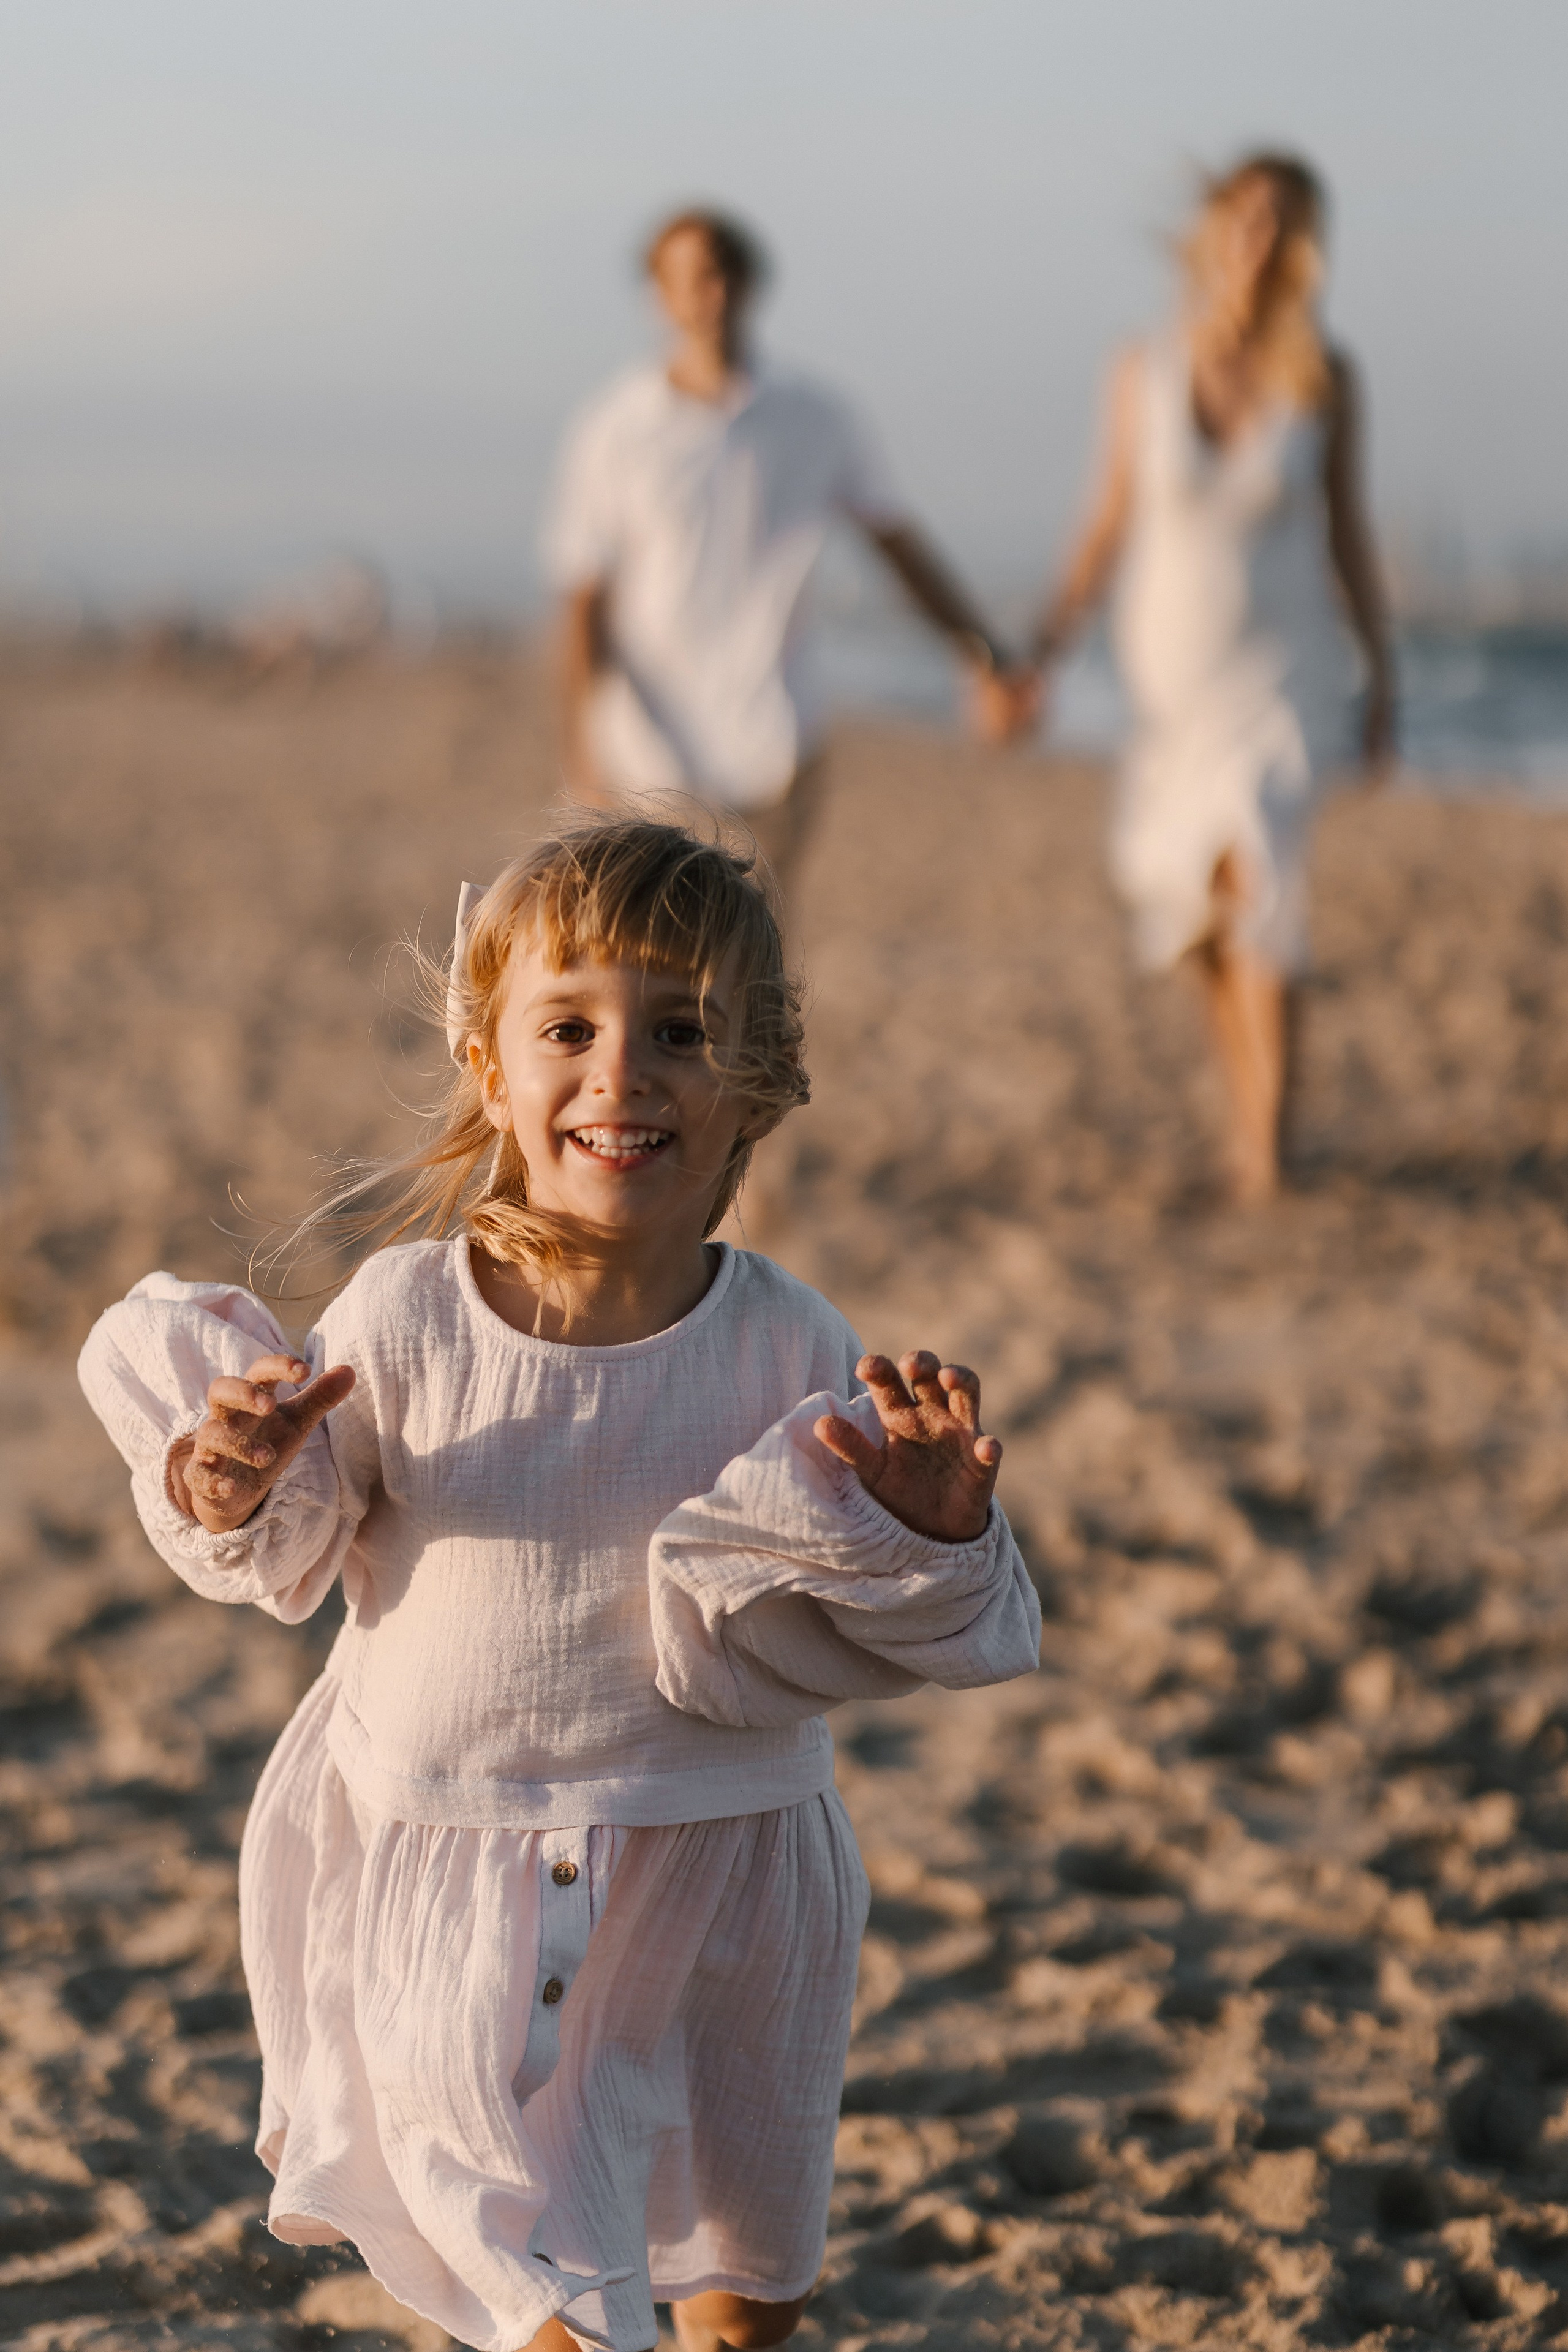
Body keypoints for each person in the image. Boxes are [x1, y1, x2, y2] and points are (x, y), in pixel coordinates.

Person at [78, 819, 1041, 2352]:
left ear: (757, 1082)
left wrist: (926, 1530)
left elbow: (911, 1622)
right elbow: (282, 1537)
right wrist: (227, 1471)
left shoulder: (791, 1342)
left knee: (745, 2302)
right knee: (569, 2319)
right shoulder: (406, 1317)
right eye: (570, 1027)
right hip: (462, 1887)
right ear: (489, 1062)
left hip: (726, 1890)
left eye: (678, 1033)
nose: (622, 1073)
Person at [1022, 153, 1395, 1204]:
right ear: (1213, 233)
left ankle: (1268, 1151)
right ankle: (1248, 1109)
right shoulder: (1144, 370)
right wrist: (1043, 651)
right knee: (1199, 912)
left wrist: (1383, 678)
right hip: (1170, 697)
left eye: (1286, 224)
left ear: (1302, 250)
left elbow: (1351, 536)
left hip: (1285, 684)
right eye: (1246, 219)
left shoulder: (1326, 380)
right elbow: (1103, 524)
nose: (1261, 241)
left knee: (1259, 875)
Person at [544, 207, 1021, 885]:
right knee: (655, 964)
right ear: (659, 297)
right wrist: (582, 758)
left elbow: (897, 545)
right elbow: (582, 598)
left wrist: (984, 655)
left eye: (725, 274)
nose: (712, 295)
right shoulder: (614, 430)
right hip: (647, 750)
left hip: (776, 738)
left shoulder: (817, 417)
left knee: (753, 966)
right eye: (693, 278)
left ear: (751, 285)